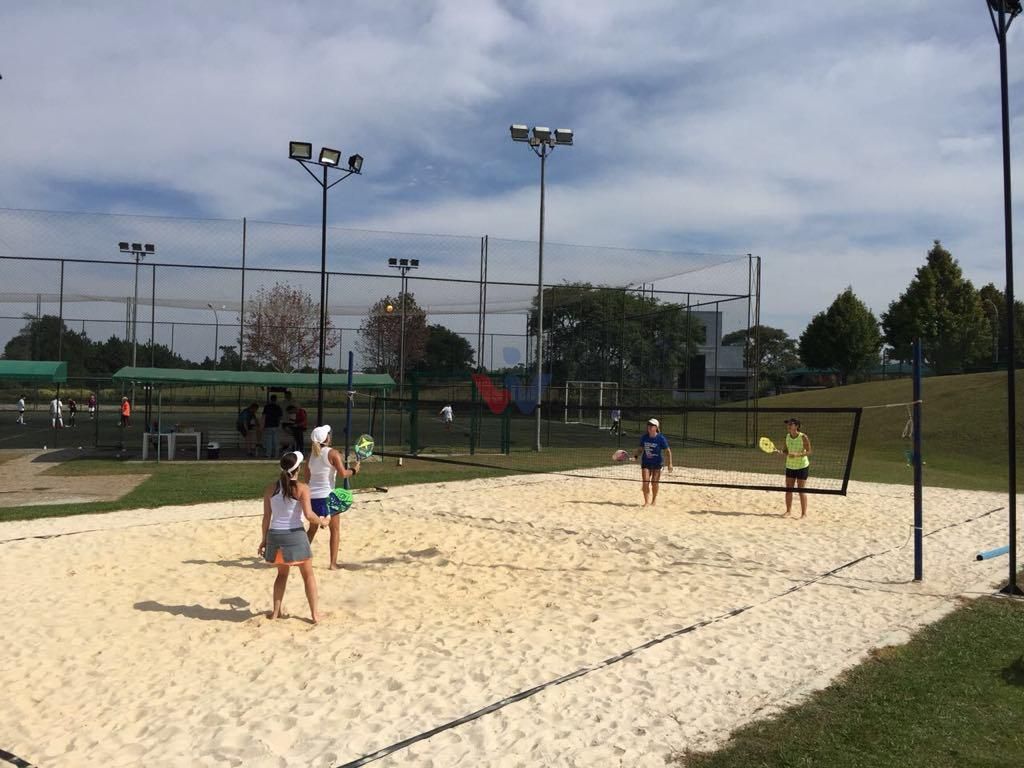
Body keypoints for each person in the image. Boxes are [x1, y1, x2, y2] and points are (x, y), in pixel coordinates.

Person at [258, 451, 328, 623]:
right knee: (308, 575)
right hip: (294, 535)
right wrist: (323, 521)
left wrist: (264, 540)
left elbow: (266, 518)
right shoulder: (302, 488)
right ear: (298, 469)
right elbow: (309, 515)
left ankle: (276, 612)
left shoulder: (270, 489)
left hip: (275, 536)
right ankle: (315, 615)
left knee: (282, 575)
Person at [304, 424, 361, 570]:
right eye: (328, 434)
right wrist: (354, 470)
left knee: (312, 529)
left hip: (312, 497)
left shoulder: (311, 455)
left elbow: (307, 478)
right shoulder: (333, 453)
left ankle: (299, 556)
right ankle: (333, 564)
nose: (330, 435)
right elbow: (343, 474)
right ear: (326, 438)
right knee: (334, 530)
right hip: (327, 496)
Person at [632, 417, 673, 506]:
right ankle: (646, 502)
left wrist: (670, 464)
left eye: (652, 425)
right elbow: (640, 449)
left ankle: (653, 500)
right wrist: (635, 456)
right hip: (646, 463)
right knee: (645, 482)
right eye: (648, 425)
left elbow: (668, 451)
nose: (649, 427)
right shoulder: (644, 437)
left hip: (657, 463)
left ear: (656, 427)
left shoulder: (661, 438)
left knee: (654, 483)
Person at [780, 418, 812, 519]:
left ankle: (804, 514)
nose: (788, 426)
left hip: (802, 466)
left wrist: (797, 455)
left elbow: (809, 451)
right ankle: (788, 511)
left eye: (791, 424)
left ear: (797, 426)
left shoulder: (803, 437)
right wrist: (783, 452)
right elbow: (785, 450)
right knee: (789, 489)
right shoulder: (787, 436)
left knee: (801, 489)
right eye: (788, 424)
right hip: (790, 466)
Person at [262, 394, 283, 458]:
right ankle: (276, 454)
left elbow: (264, 416)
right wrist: (278, 424)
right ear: (276, 400)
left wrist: (262, 425)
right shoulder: (278, 407)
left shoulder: (267, 407)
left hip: (268, 425)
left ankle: (268, 454)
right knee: (276, 441)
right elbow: (280, 417)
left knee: (269, 441)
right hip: (276, 425)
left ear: (270, 399)